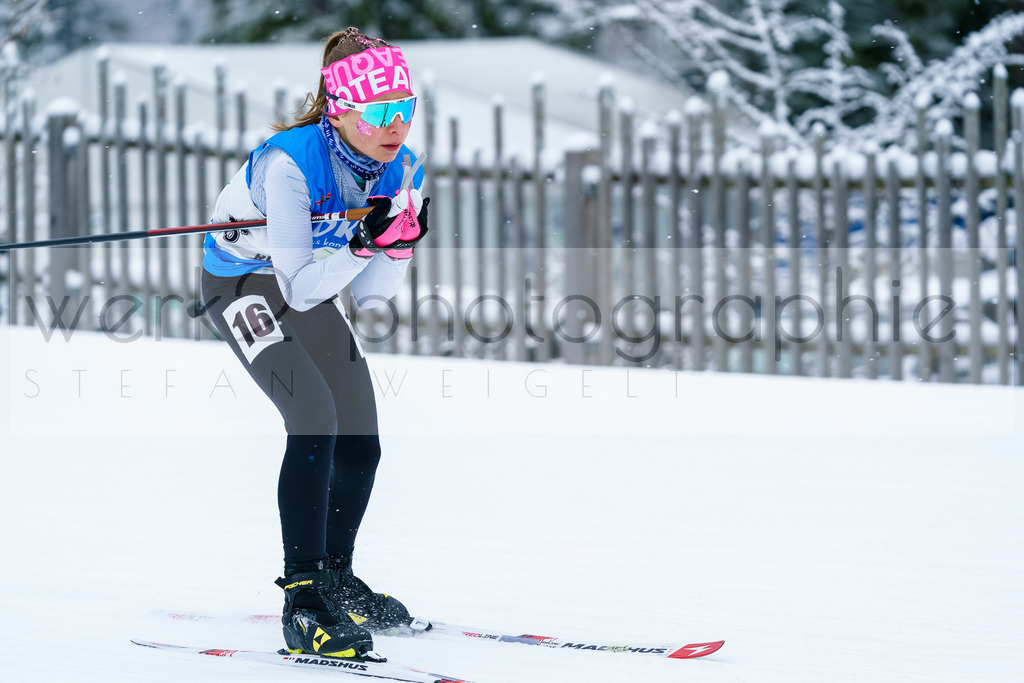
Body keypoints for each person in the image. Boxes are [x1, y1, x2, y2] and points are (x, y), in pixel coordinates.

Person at [199, 27, 429, 660]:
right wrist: (362, 242)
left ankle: (335, 577)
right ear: (342, 108)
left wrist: (398, 242)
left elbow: (376, 293)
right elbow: (298, 290)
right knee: (313, 418)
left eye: (405, 110)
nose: (396, 127)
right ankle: (302, 599)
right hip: (243, 285)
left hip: (308, 283)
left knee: (360, 431)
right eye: (381, 112)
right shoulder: (289, 163)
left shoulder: (396, 164)